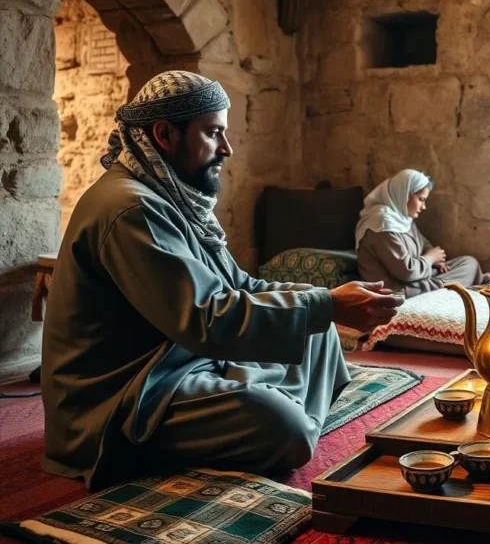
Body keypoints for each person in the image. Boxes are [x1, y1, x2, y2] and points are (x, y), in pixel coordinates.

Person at [41, 71, 403, 491]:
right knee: (282, 425)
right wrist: (326, 306)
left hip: (182, 361)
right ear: (164, 135)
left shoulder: (172, 197)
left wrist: (326, 300)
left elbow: (238, 285)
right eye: (214, 133)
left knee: (315, 331)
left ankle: (270, 410)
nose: (227, 149)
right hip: (126, 393)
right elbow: (207, 318)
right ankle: (282, 419)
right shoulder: (130, 209)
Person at [356, 168, 490, 298]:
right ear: (405, 195)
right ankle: (453, 286)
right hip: (397, 288)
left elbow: (423, 243)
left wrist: (436, 259)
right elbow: (406, 272)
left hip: (417, 278)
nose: (423, 207)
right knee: (462, 272)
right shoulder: (382, 224)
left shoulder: (401, 218)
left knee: (469, 262)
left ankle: (454, 285)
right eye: (421, 200)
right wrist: (430, 259)